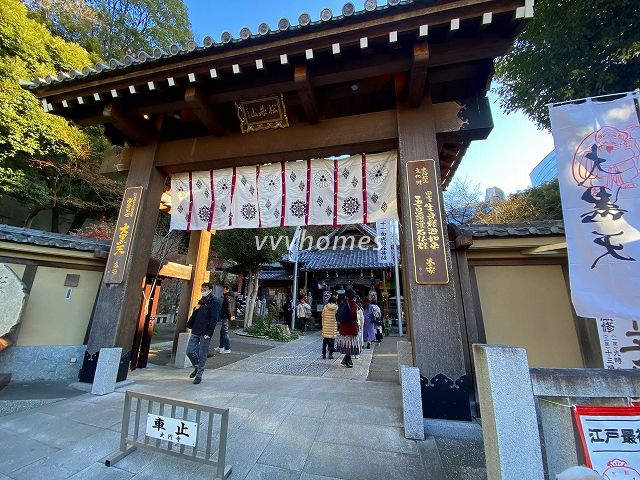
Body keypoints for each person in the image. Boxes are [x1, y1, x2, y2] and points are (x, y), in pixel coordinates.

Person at [186, 282, 220, 384]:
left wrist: (209, 333)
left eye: (205, 289)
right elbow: (196, 314)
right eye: (202, 289)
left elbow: (214, 319)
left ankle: (199, 374)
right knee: (189, 351)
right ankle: (197, 366)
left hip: (205, 332)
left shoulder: (214, 301)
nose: (203, 290)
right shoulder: (201, 300)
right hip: (196, 329)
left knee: (202, 354)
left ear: (210, 290)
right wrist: (195, 310)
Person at [335, 289, 360, 368]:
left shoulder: (342, 302)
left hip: (343, 326)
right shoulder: (352, 303)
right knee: (350, 344)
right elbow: (354, 315)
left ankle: (346, 359)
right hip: (350, 326)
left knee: (346, 343)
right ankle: (348, 359)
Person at [215, 285, 236, 354]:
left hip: (226, 317)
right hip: (228, 316)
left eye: (224, 289)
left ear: (227, 289)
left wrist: (230, 315)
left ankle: (227, 348)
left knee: (225, 332)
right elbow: (234, 307)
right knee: (222, 332)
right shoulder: (232, 297)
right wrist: (233, 315)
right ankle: (221, 347)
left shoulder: (227, 297)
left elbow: (228, 308)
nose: (223, 291)